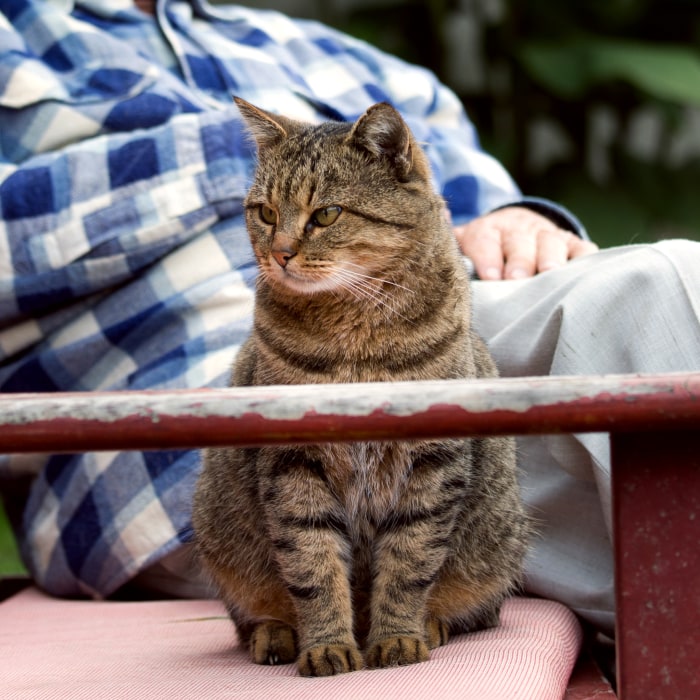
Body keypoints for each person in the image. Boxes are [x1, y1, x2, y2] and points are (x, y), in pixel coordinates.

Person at [1, 0, 699, 641]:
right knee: (593, 496)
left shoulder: (316, 47)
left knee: (664, 282)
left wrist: (518, 219)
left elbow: (445, 187)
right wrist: (230, 155)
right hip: (189, 409)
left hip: (423, 316)